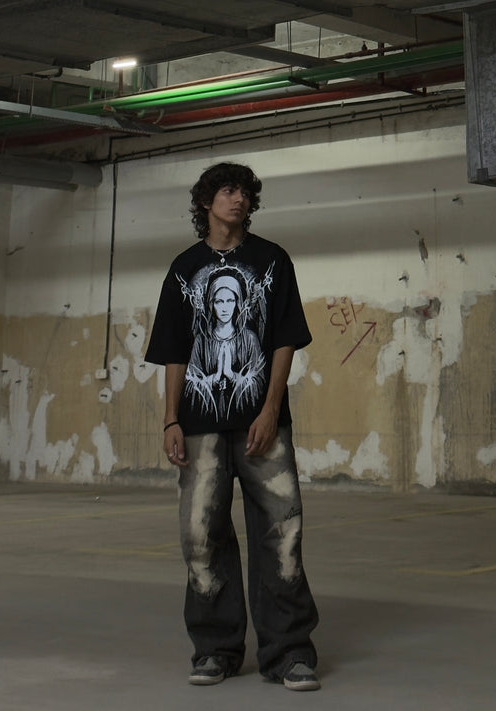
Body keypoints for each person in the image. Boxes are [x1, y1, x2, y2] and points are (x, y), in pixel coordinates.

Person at [145, 162, 320, 691]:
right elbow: (174, 350)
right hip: (199, 427)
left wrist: (269, 409)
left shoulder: (272, 260)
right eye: (227, 190)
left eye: (245, 192)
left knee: (282, 533)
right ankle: (215, 650)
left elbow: (285, 340)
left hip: (261, 425)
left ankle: (289, 653)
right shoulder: (184, 269)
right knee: (201, 535)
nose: (238, 198)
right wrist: (171, 418)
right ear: (206, 202)